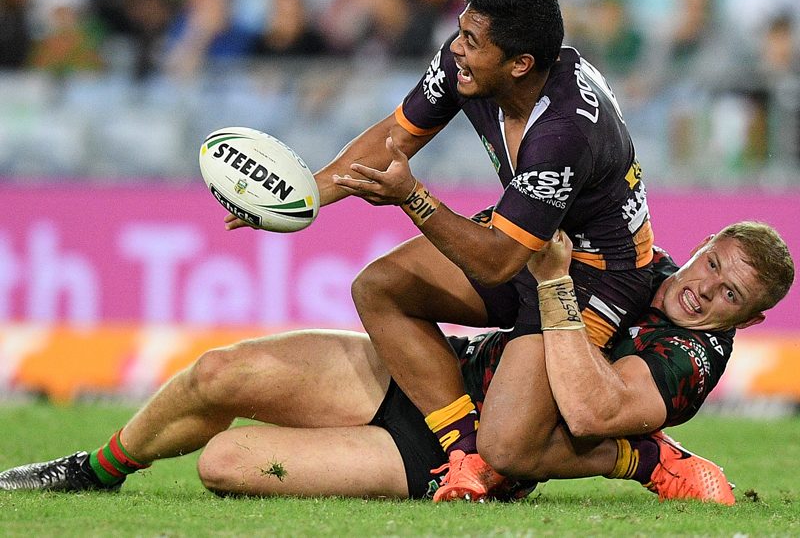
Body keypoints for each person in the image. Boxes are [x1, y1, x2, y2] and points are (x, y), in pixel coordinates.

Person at [1, 221, 793, 507]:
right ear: (703, 245)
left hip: (466, 448)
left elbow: (590, 408)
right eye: (712, 262)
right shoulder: (640, 263)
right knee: (219, 373)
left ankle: (645, 457)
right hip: (442, 373)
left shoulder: (690, 357)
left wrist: (555, 285)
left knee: (224, 462)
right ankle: (95, 469)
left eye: (730, 292)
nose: (704, 287)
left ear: (749, 318)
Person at [300, 0, 653, 501]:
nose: (456, 49)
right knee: (379, 287)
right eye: (461, 31)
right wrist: (299, 197)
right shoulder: (470, 67)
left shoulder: (565, 129)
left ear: (520, 64)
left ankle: (647, 456)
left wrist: (413, 197)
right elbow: (393, 139)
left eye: (471, 40)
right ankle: (464, 457)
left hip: (594, 272)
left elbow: (496, 264)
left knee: (510, 448)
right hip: (533, 240)